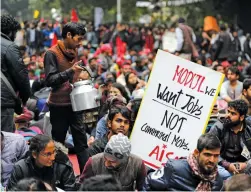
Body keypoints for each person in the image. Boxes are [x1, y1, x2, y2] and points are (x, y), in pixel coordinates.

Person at [44, 22, 88, 172]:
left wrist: (77, 77)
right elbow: (50, 81)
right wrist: (70, 72)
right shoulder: (51, 53)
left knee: (81, 143)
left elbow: (71, 77)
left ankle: (86, 179)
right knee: (58, 144)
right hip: (58, 106)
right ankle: (57, 177)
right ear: (68, 35)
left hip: (75, 104)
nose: (80, 42)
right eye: (78, 38)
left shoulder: (75, 51)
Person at [143, 133, 224, 191]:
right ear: (196, 153)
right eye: (207, 154)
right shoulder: (174, 169)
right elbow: (148, 183)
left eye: (216, 156)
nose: (212, 160)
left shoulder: (217, 182)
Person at [6, 134, 77, 191]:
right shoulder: (20, 168)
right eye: (48, 154)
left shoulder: (63, 165)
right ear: (34, 154)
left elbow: (71, 189)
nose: (53, 158)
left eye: (54, 152)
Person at [80, 133, 146, 191]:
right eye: (105, 158)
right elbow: (82, 187)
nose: (106, 164)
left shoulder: (137, 164)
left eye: (112, 161)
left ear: (124, 160)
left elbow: (143, 188)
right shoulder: (93, 162)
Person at [1, 14, 31, 132]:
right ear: (11, 32)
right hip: (3, 104)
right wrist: (24, 99)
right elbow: (21, 77)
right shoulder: (10, 47)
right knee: (4, 142)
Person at [209, 100, 251, 179]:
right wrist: (227, 165)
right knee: (223, 174)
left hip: (244, 165)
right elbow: (209, 149)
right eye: (228, 111)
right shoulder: (219, 127)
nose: (228, 115)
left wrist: (246, 164)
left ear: (241, 117)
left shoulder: (249, 128)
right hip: (222, 164)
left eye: (233, 113)